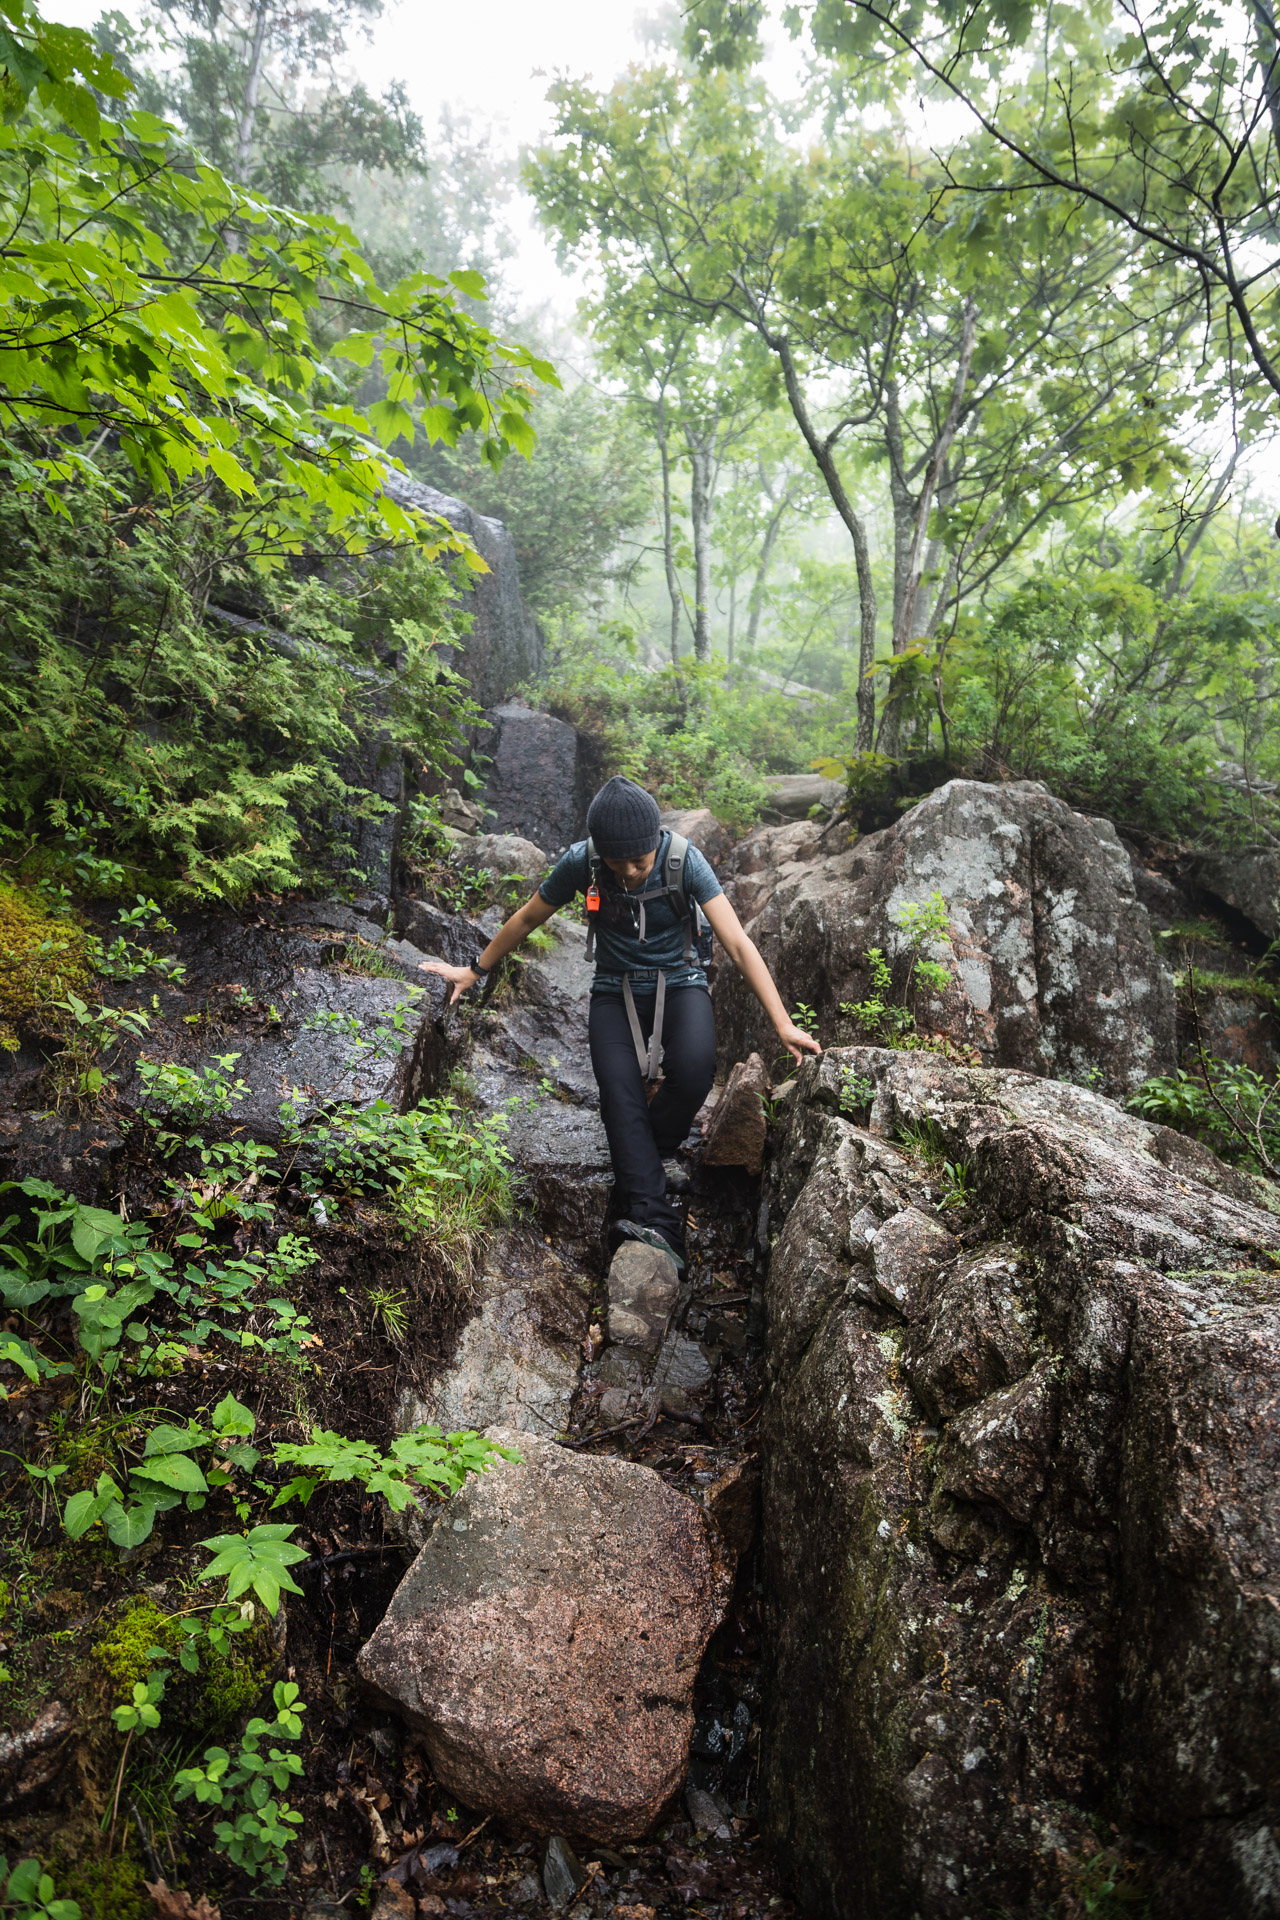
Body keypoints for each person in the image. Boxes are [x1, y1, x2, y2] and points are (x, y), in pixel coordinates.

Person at [420, 775, 821, 1270]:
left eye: (639, 861)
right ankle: (656, 1220)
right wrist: (474, 969)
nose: (629, 871)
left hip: (680, 979)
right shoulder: (581, 863)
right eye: (618, 862)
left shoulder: (682, 860)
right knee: (619, 1091)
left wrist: (782, 1022)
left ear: (655, 843)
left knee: (696, 1069)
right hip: (614, 987)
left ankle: (651, 1154)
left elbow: (738, 943)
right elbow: (527, 918)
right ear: (600, 852)